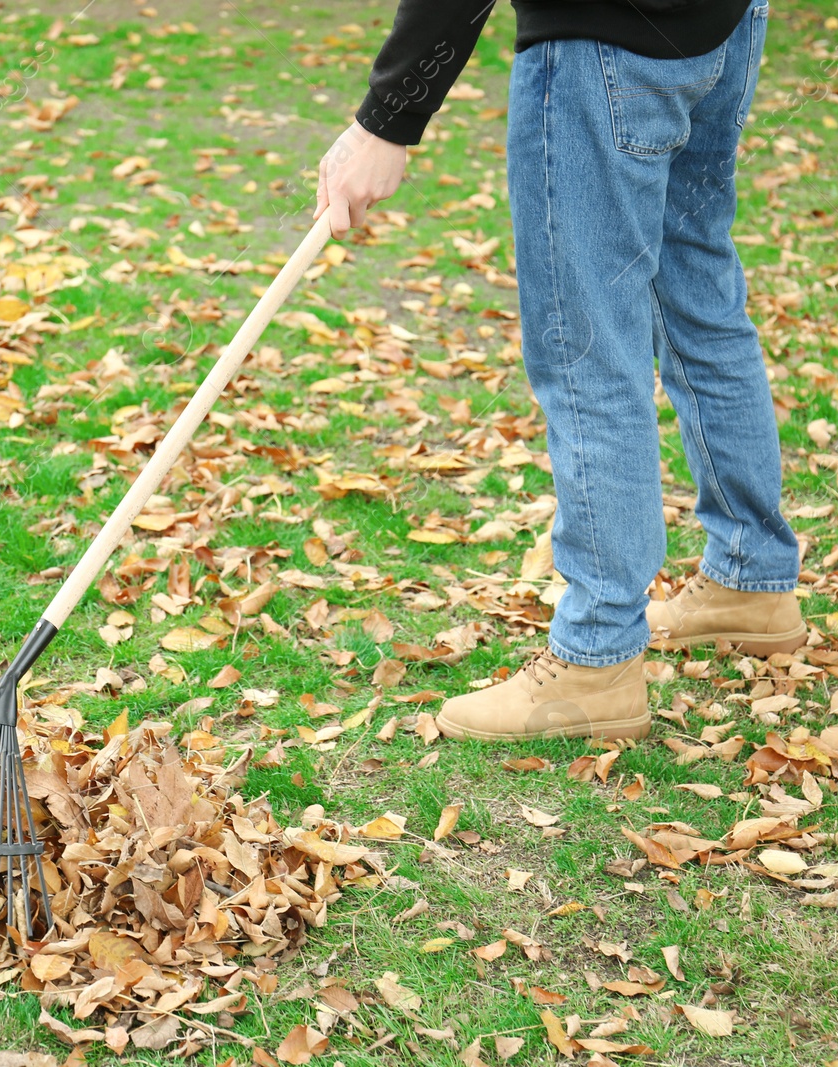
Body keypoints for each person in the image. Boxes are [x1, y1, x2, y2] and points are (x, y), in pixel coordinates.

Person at [317, 0, 806, 742]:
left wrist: (388, 117)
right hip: (722, 23)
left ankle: (597, 658)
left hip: (605, 39)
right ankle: (749, 578)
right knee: (698, 293)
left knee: (587, 346)